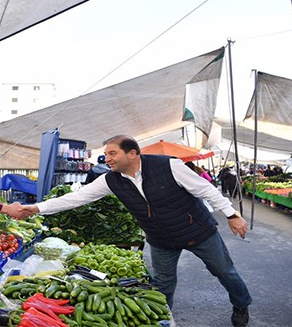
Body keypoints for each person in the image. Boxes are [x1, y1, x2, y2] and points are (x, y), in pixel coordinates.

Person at [20, 135, 252, 327]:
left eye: (113, 153)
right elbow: (76, 198)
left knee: (224, 272)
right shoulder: (109, 180)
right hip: (161, 239)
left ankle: (241, 304)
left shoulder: (169, 166)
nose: (107, 158)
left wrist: (232, 215)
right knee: (163, 284)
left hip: (197, 230)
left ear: (132, 153)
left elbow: (205, 190)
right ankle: (162, 319)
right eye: (107, 154)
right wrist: (37, 208)